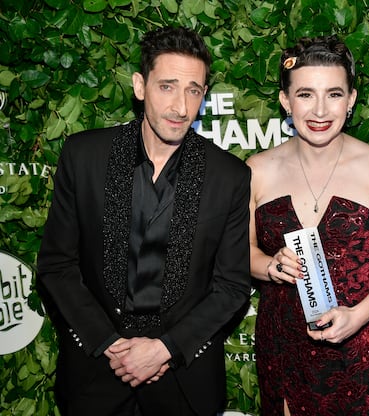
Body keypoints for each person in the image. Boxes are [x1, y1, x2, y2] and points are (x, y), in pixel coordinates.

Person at [36, 26, 251, 416]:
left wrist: (165, 348)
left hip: (184, 381)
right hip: (95, 375)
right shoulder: (85, 156)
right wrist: (108, 343)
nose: (181, 107)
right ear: (140, 86)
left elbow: (232, 286)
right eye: (167, 86)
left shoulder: (229, 175)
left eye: (193, 90)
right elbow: (57, 265)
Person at [246, 35, 369, 416]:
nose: (320, 109)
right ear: (285, 100)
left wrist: (359, 315)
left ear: (351, 100)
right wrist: (270, 266)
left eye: (334, 94)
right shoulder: (256, 170)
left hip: (359, 345)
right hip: (283, 342)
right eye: (305, 94)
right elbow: (241, 252)